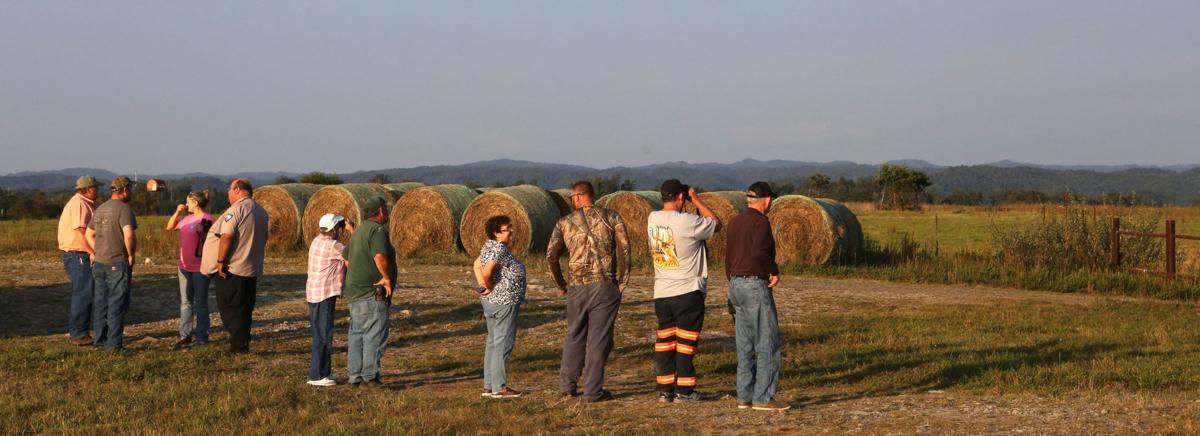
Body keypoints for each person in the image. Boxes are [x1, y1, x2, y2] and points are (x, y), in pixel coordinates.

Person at [546, 180, 630, 402]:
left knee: (574, 335)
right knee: (598, 339)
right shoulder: (612, 217)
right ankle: (593, 391)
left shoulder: (564, 222)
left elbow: (551, 256)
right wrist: (622, 282)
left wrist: (561, 284)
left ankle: (567, 385)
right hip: (604, 284)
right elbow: (625, 251)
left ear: (576, 197)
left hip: (576, 286)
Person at [646, 179, 718, 403]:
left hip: (662, 292)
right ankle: (684, 391)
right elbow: (716, 223)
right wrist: (696, 199)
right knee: (686, 344)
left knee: (665, 342)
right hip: (687, 291)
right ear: (680, 198)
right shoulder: (688, 221)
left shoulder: (652, 218)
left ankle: (665, 389)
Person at [725, 181, 789, 411]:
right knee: (767, 341)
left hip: (735, 284)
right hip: (754, 284)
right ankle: (763, 398)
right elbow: (758, 252)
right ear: (767, 199)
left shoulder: (735, 221)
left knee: (744, 344)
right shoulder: (761, 222)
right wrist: (772, 270)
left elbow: (728, 256)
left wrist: (732, 285)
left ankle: (744, 395)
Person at [201, 178, 269, 353]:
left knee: (230, 307)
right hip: (251, 267)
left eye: (229, 190)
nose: (228, 193)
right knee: (246, 307)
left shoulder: (237, 209)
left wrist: (221, 261)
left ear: (237, 189)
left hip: (234, 268)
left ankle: (238, 345)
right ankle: (243, 340)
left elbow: (226, 236)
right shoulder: (260, 210)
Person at [342, 197, 395, 388]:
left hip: (355, 290)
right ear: (380, 211)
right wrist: (386, 277)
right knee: (375, 333)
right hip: (372, 291)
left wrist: (359, 272)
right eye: (386, 210)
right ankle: (370, 376)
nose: (387, 213)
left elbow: (345, 257)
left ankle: (354, 376)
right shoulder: (377, 230)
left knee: (357, 333)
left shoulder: (358, 232)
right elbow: (379, 255)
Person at [472, 215, 527, 399]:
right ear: (496, 233)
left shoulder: (489, 245)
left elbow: (476, 264)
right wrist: (488, 285)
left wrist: (483, 287)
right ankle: (499, 388)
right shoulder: (499, 249)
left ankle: (489, 386)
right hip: (504, 302)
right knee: (503, 344)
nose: (511, 231)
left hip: (492, 301)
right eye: (507, 229)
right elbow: (486, 270)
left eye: (510, 228)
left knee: (493, 342)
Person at [85, 176, 137, 351]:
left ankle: (100, 339)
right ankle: (113, 344)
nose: (131, 192)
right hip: (117, 261)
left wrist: (96, 251)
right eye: (130, 189)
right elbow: (129, 234)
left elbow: (88, 234)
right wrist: (131, 254)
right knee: (117, 303)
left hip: (99, 262)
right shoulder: (124, 209)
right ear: (124, 190)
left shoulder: (100, 208)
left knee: (101, 302)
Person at [305, 213, 350, 387]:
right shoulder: (334, 245)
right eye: (339, 226)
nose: (341, 229)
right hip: (325, 294)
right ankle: (317, 376)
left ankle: (323, 372)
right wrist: (353, 230)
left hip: (314, 292)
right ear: (333, 230)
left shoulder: (316, 241)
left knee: (319, 334)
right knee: (324, 335)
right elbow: (354, 255)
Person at [166, 191, 214, 347]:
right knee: (186, 302)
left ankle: (202, 335)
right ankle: (185, 334)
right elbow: (169, 227)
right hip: (184, 267)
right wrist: (178, 211)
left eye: (188, 202)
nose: (186, 204)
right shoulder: (186, 218)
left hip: (200, 267)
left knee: (201, 302)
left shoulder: (207, 219)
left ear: (196, 202)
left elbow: (212, 240)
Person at [58, 175, 100, 346]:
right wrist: (92, 252)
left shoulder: (83, 203)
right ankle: (79, 333)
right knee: (84, 293)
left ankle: (80, 331)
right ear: (88, 189)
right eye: (96, 187)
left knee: (84, 292)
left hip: (78, 254)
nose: (98, 190)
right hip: (78, 254)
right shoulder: (80, 204)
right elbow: (80, 232)